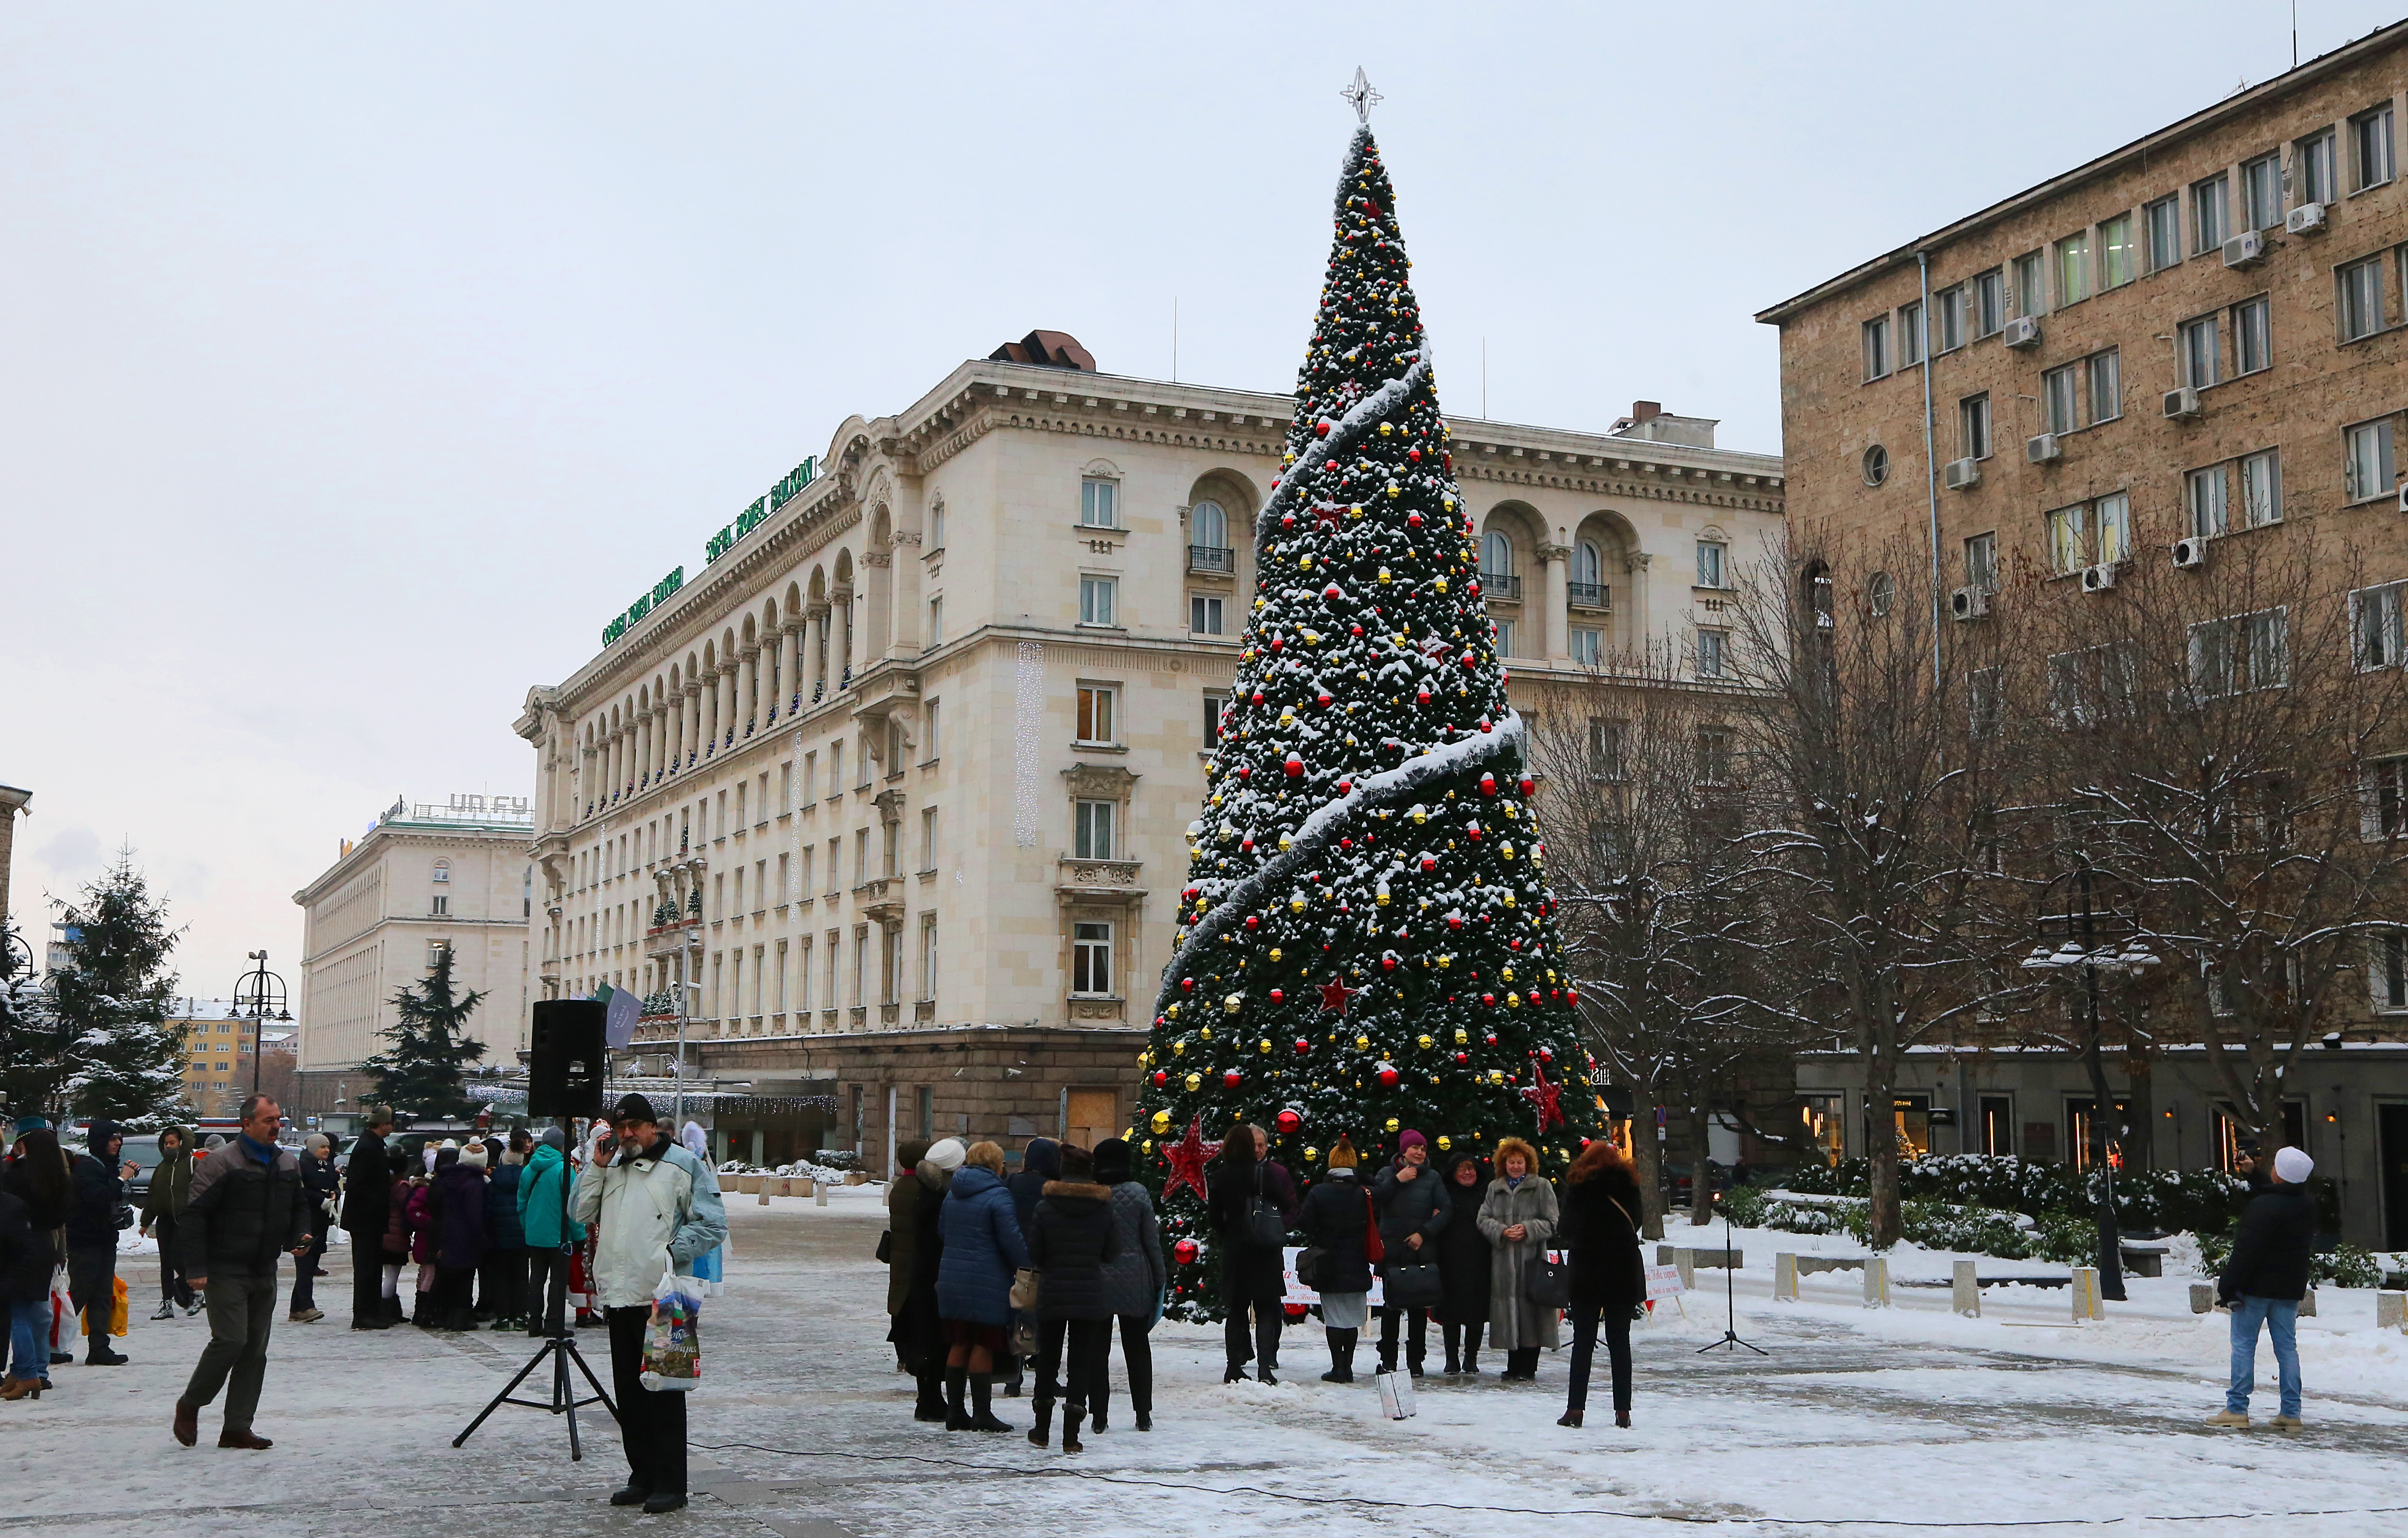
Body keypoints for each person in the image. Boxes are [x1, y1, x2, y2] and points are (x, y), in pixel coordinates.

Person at [569, 1093, 728, 1515]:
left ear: (652, 1126)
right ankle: (642, 1475)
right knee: (630, 1394)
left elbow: (713, 1223)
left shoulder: (683, 1165)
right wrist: (595, 1169)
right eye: (620, 1128)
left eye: (634, 1127)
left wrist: (670, 1254)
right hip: (620, 1298)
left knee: (667, 1392)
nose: (626, 1135)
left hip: (666, 1296)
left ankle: (672, 1483)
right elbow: (579, 1213)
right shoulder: (611, 1167)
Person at [173, 1094, 311, 1449]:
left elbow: (299, 1207)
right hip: (225, 1267)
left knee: (254, 1350)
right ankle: (191, 1404)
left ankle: (237, 1427)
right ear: (246, 1124)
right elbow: (193, 1216)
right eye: (268, 1120)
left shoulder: (287, 1164)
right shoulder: (222, 1163)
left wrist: (300, 1234)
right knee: (231, 1340)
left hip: (264, 1268)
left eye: (278, 1119)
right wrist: (197, 1267)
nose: (276, 1126)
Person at [2210, 1144, 2318, 1431]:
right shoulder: (2306, 1206)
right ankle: (2291, 1413)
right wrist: (2254, 1175)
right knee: (2287, 1349)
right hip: (2288, 1288)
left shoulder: (2261, 1207)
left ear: (2279, 1174)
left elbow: (2247, 1251)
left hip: (2254, 1288)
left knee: (2244, 1345)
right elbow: (2280, 1199)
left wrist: (2228, 1286)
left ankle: (2237, 1409)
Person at [1023, 1142, 1118, 1452]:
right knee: (1081, 1362)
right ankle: (1072, 1436)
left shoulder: (1044, 1207)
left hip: (1052, 1291)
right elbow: (1112, 1253)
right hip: (1089, 1293)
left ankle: (1041, 1430)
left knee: (1048, 1358)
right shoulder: (1104, 1209)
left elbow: (1035, 1254)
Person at [934, 1139, 1026, 1433]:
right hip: (986, 1281)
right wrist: (1026, 1266)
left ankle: (955, 1412)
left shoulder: (953, 1193)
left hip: (952, 1278)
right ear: (996, 1165)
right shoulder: (998, 1195)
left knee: (959, 1341)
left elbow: (943, 1231)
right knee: (983, 1343)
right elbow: (1011, 1240)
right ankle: (982, 1413)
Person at [1558, 1139, 1646, 1428]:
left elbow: (1565, 1229)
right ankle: (1623, 1411)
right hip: (1622, 1271)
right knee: (1620, 1342)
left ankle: (1575, 1409)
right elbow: (1639, 1221)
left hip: (1588, 1272)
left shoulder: (1579, 1189)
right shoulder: (1629, 1188)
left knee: (1583, 1342)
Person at [1207, 1122, 1298, 1384]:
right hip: (1264, 1250)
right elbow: (1285, 1204)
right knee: (1267, 1309)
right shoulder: (1263, 1175)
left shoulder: (1221, 1177)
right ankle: (1264, 1368)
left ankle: (1233, 1366)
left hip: (1235, 1249)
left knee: (1236, 1310)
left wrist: (1231, 1232)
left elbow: (1214, 1218)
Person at [1088, 1137, 1164, 1432]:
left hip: (1099, 1278)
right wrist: (1159, 1279)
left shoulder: (1092, 1194)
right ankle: (1143, 1414)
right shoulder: (1138, 1193)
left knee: (1098, 1349)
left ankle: (1099, 1416)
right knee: (1137, 1347)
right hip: (1136, 1279)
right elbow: (1151, 1242)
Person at [1478, 1136, 1560, 1382]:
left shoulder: (1542, 1186)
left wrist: (1528, 1228)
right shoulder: (1496, 1187)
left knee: (1531, 1313)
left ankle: (1529, 1366)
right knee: (1509, 1313)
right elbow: (1482, 1219)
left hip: (1531, 1261)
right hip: (1503, 1262)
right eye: (1511, 1162)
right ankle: (1513, 1365)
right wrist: (1501, 1231)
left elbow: (1553, 1222)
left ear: (1528, 1163)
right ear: (1504, 1164)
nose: (1516, 1166)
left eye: (1520, 1162)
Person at [1295, 1137, 1374, 1384]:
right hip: (1356, 1262)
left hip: (1328, 1263)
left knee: (1333, 1318)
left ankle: (1337, 1367)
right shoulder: (1364, 1192)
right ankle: (1348, 1366)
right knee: (1351, 1319)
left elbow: (1304, 1223)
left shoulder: (1319, 1192)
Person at [0, 1121, 69, 1399]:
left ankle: (28, 1374)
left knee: (17, 1313)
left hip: (20, 1245)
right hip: (45, 1245)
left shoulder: (17, 1174)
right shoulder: (59, 1177)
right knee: (33, 1311)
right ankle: (22, 1372)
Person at [1371, 1129, 1448, 1377]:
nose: (1419, 1152)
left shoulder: (1433, 1177)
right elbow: (1373, 1200)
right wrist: (1398, 1180)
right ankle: (1389, 1359)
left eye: (1423, 1148)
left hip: (1421, 1251)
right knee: (1391, 1308)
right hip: (1393, 1250)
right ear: (1404, 1151)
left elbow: (1446, 1209)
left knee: (1418, 1309)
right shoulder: (1386, 1174)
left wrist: (1424, 1233)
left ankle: (1416, 1360)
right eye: (1415, 1148)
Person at [896, 1139, 962, 1419]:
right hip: (933, 1274)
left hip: (923, 1273)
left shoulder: (925, 1192)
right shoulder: (939, 1199)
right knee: (933, 1339)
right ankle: (930, 1401)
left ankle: (929, 1399)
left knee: (928, 1337)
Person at [65, 1118, 136, 1366]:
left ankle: (99, 1347)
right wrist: (121, 1179)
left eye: (119, 1138)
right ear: (99, 1141)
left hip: (104, 1239)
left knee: (102, 1295)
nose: (118, 1143)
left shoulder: (105, 1166)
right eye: (112, 1138)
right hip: (85, 1242)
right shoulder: (87, 1167)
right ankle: (50, 1344)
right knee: (79, 1293)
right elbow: (96, 1198)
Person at [999, 1136, 1060, 1397]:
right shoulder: (1052, 1188)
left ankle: (1013, 1379)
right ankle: (1047, 1380)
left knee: (1016, 1315)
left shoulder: (1011, 1182)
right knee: (1045, 1320)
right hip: (1043, 1259)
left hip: (1013, 1258)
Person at [517, 1125, 583, 1337]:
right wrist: (580, 1235)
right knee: (557, 1281)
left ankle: (534, 1322)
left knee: (536, 1279)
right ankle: (554, 1323)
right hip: (560, 1237)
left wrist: (529, 1227)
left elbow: (522, 1203)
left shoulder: (529, 1169)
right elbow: (573, 1207)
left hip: (535, 1235)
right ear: (561, 1146)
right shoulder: (564, 1169)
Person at [1435, 1150, 1492, 1375]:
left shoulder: (1486, 1195)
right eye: (1462, 1169)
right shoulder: (1444, 1195)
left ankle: (1471, 1359)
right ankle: (1451, 1359)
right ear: (1453, 1173)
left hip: (1481, 1260)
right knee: (1451, 1313)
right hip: (1449, 1260)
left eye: (1471, 1169)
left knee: (1476, 1313)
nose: (1468, 1173)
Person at [340, 1108, 394, 1330]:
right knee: (366, 1268)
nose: (393, 1127)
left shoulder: (373, 1145)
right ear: (382, 1124)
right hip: (366, 1220)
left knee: (372, 1267)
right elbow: (359, 1185)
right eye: (391, 1123)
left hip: (370, 1218)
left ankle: (372, 1311)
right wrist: (376, 1205)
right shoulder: (368, 1147)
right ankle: (363, 1314)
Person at [139, 1125, 200, 1320]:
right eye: (166, 1143)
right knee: (165, 1262)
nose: (168, 1147)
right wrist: (145, 1222)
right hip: (165, 1220)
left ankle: (196, 1292)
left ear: (182, 1143)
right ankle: (167, 1303)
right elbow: (153, 1195)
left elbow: (204, 1191)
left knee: (179, 1259)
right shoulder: (162, 1168)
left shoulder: (193, 1164)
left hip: (186, 1220)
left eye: (172, 1143)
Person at [428, 1143, 488, 1331]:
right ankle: (461, 1318)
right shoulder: (475, 1183)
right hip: (466, 1235)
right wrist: (481, 1237)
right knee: (465, 1277)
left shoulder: (447, 1179)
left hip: (447, 1232)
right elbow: (474, 1213)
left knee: (450, 1275)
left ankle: (446, 1316)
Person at [289, 1133, 338, 1324]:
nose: (327, 1150)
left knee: (309, 1267)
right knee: (305, 1265)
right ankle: (307, 1307)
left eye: (328, 1147)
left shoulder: (329, 1166)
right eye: (322, 1147)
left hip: (320, 1222)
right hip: (305, 1222)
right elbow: (301, 1191)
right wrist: (321, 1199)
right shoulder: (302, 1166)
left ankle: (296, 1309)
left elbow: (335, 1184)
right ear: (313, 1149)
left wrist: (335, 1193)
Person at [480, 1134, 527, 1329]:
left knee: (501, 1278)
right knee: (521, 1277)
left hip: (499, 1238)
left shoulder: (494, 1181)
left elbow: (488, 1210)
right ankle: (520, 1316)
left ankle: (502, 1317)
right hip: (522, 1237)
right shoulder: (527, 1179)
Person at [679, 1123, 727, 1297]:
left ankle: (687, 1312)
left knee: (691, 1271)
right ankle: (691, 1312)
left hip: (692, 1225)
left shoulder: (689, 1164)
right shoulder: (702, 1167)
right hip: (695, 1227)